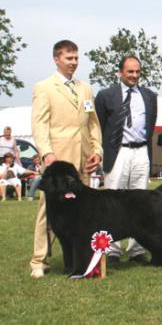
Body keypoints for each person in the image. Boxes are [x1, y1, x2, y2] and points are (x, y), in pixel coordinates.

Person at [30, 40, 103, 278]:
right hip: (57, 160)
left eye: (76, 58)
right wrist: (46, 152)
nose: (73, 62)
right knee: (47, 210)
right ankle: (39, 260)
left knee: (82, 210)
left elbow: (93, 123)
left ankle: (81, 259)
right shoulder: (44, 87)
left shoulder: (85, 88)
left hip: (82, 159)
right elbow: (39, 124)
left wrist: (97, 150)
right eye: (68, 58)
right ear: (56, 59)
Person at [95, 56, 158, 265]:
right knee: (113, 203)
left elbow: (151, 126)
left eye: (138, 72)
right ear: (120, 72)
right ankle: (112, 250)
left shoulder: (149, 96)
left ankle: (136, 250)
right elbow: (100, 126)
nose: (134, 76)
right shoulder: (105, 96)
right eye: (130, 72)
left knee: (140, 203)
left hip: (141, 152)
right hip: (117, 152)